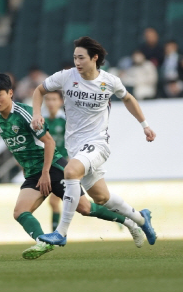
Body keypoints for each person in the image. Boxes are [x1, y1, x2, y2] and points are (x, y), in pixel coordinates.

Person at [0, 73, 144, 260]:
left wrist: (45, 173)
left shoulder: (25, 113)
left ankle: (129, 223)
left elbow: (49, 143)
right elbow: (17, 148)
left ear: (10, 93)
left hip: (52, 167)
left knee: (85, 208)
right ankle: (42, 242)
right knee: (20, 212)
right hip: (33, 173)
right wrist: (25, 168)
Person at [30, 37, 157, 248]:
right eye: (74, 58)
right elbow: (39, 90)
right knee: (101, 198)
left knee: (71, 172)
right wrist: (36, 113)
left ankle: (60, 233)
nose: (77, 62)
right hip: (76, 147)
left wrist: (144, 125)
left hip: (98, 143)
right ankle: (141, 219)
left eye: (81, 58)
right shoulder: (66, 77)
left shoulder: (109, 81)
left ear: (94, 58)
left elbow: (128, 98)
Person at [43, 91, 68, 231]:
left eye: (54, 99)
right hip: (51, 165)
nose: (51, 103)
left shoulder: (65, 121)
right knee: (59, 201)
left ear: (60, 102)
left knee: (56, 200)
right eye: (48, 99)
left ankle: (56, 233)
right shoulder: (42, 121)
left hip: (65, 164)